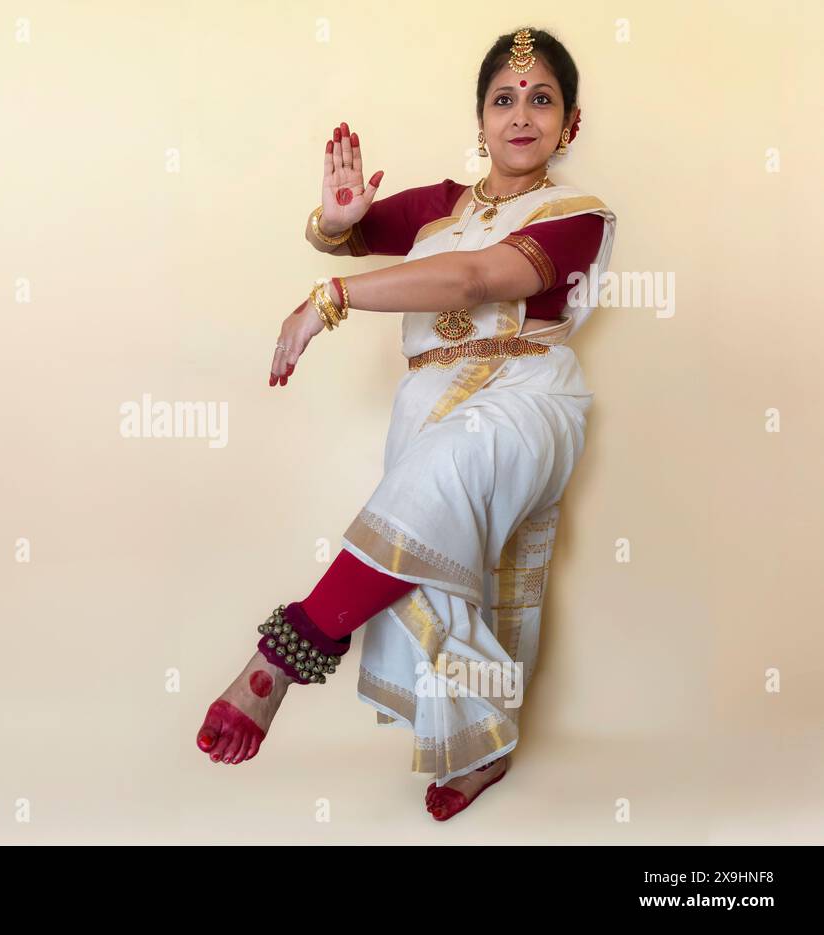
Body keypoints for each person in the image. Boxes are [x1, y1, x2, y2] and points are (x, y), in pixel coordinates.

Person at [195, 27, 617, 823]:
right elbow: (349, 233)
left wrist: (332, 299)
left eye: (541, 99)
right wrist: (332, 223)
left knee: (443, 474)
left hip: (527, 395)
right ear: (481, 118)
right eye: (503, 99)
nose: (520, 114)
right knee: (429, 564)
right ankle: (481, 747)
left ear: (571, 122)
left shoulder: (579, 215)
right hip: (429, 399)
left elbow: (473, 278)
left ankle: (281, 657)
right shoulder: (440, 207)